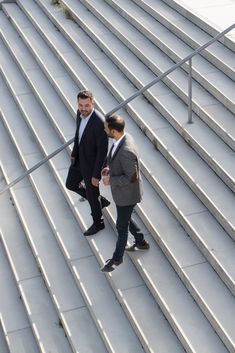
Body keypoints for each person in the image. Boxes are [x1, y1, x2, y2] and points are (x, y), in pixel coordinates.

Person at [101, 115, 149, 272]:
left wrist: (111, 180)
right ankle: (141, 241)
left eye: (106, 128)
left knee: (121, 226)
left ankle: (117, 259)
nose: (104, 129)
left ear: (113, 131)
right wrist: (109, 167)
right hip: (124, 194)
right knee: (125, 219)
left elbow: (132, 177)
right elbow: (115, 157)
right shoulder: (123, 137)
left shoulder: (126, 150)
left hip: (127, 195)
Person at [66, 90, 110, 236]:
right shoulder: (80, 113)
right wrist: (74, 153)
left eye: (87, 105)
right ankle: (99, 201)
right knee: (70, 184)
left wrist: (96, 174)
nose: (83, 108)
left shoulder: (99, 122)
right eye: (80, 105)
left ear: (93, 103)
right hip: (79, 159)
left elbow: (103, 151)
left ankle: (99, 223)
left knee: (92, 194)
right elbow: (78, 134)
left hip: (92, 165)